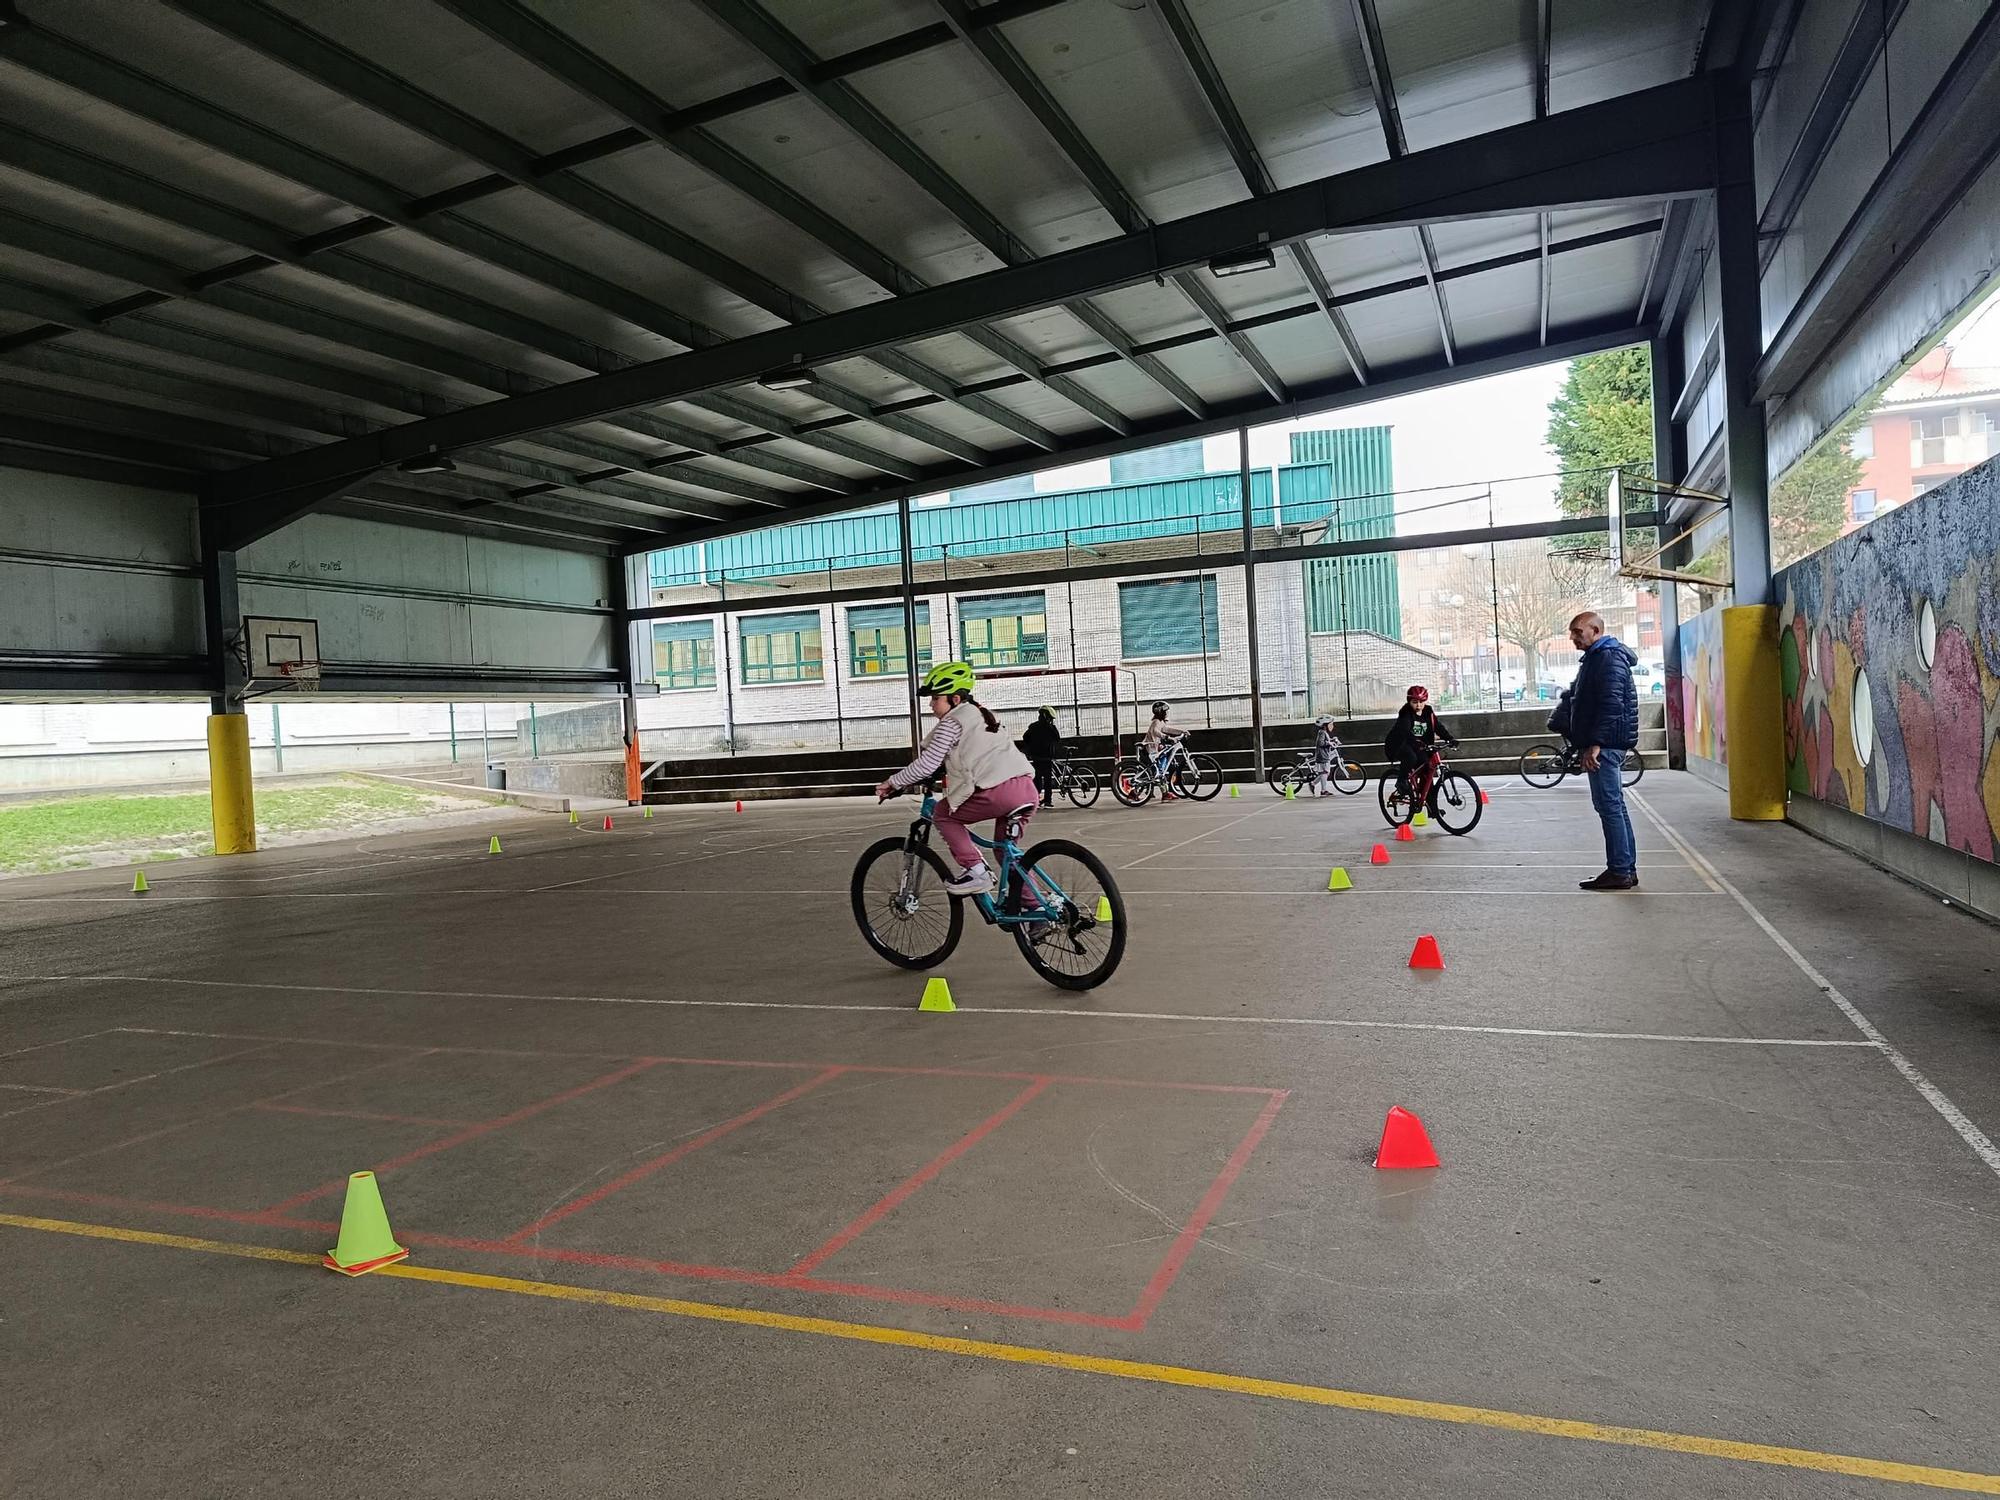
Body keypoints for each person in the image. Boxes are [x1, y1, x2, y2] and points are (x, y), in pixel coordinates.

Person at [874, 661, 1039, 897]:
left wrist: (893, 783)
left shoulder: (952, 722)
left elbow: (928, 762)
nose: (931, 704)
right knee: (1006, 852)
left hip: (998, 791)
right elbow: (971, 754)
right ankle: (1037, 909)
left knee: (942, 814)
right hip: (1025, 789)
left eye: (935, 698)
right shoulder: (984, 715)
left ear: (955, 699)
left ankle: (976, 870)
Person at [1564, 611, 1641, 891]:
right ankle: (1625, 868)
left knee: (1609, 806)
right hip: (1608, 742)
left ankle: (1620, 870)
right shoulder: (1601, 657)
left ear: (1595, 630)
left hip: (1606, 745)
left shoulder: (1607, 658)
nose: (1573, 637)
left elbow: (1610, 704)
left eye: (1577, 631)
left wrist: (1594, 743)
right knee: (1614, 806)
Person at [1383, 685, 1458, 806]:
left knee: (1427, 769)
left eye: (1421, 702)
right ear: (1409, 702)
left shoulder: (1428, 712)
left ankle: (1432, 807)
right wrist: (1418, 743)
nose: (1418, 705)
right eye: (1414, 702)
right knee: (1410, 757)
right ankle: (1401, 781)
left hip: (1419, 745)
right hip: (1398, 743)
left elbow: (1437, 726)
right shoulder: (1405, 713)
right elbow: (1405, 732)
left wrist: (1449, 738)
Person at [1142, 700, 1187, 798]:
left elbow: (1167, 729)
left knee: (1159, 771)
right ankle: (1135, 791)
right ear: (1160, 712)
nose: (1166, 713)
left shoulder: (1160, 722)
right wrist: (1167, 737)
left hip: (1155, 749)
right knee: (1158, 770)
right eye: (1165, 711)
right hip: (1152, 749)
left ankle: (1165, 793)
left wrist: (1181, 731)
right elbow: (1156, 732)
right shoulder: (1156, 722)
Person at [1022, 705, 1064, 809]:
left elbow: (1025, 737)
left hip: (1036, 757)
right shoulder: (1050, 728)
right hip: (1047, 757)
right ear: (1046, 716)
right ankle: (1048, 801)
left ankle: (1036, 800)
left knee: (1037, 779)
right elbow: (1057, 738)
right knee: (1048, 780)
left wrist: (1031, 747)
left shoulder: (1033, 726)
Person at [1311, 714, 1340, 797]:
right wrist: (1330, 743)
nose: (1332, 726)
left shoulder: (1323, 732)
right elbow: (1321, 743)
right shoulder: (1322, 733)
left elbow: (1325, 741)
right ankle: (1322, 790)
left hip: (1324, 755)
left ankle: (1313, 784)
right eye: (1331, 724)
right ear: (1325, 725)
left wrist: (1332, 739)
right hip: (1322, 756)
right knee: (1325, 772)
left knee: (1325, 773)